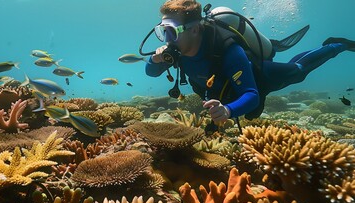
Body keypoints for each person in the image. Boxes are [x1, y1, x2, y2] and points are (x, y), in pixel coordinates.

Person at [144, 0, 355, 130]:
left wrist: (228, 111)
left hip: (257, 74)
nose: (165, 39)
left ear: (195, 29)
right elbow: (150, 71)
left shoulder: (227, 49)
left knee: (298, 71)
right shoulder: (175, 50)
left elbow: (251, 94)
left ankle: (336, 46)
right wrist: (154, 59)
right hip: (224, 90)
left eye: (170, 30)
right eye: (162, 31)